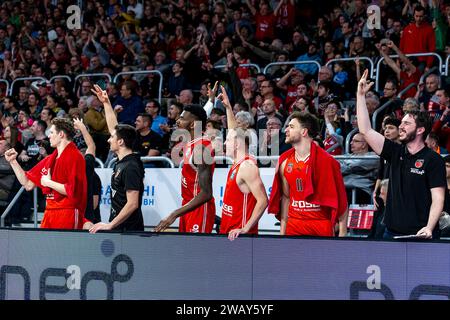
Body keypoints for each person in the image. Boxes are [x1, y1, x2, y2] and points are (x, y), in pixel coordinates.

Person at [356, 69, 446, 239]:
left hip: (422, 234)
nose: (401, 127)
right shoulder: (394, 151)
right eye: (401, 123)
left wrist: (429, 227)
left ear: (420, 130)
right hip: (391, 233)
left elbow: (438, 198)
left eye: (407, 123)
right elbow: (365, 130)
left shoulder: (433, 160)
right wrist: (360, 96)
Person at [267, 111, 348, 236]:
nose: (286, 130)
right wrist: (282, 233)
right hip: (294, 223)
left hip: (320, 223)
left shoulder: (327, 161)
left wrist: (342, 235)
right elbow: (286, 197)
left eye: (291, 127)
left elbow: (341, 201)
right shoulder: (284, 161)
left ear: (304, 132)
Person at [4, 118, 87, 229]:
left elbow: (72, 190)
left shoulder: (75, 156)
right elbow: (28, 184)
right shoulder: (50, 159)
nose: (49, 136)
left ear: (61, 134)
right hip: (49, 212)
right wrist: (13, 162)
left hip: (68, 211)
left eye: (52, 132)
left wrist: (48, 182)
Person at [89, 84, 145, 232]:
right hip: (119, 227)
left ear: (120, 142)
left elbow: (132, 204)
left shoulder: (131, 166)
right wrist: (106, 103)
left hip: (128, 230)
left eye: (112, 138)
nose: (108, 140)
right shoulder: (123, 160)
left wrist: (110, 225)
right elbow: (115, 129)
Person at [154, 105, 216, 233]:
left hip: (199, 208)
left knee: (196, 251)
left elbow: (206, 193)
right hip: (188, 206)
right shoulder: (190, 142)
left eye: (182, 118)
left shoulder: (201, 148)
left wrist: (174, 214)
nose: (177, 121)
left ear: (193, 125)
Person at [219, 86, 268, 240]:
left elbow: (263, 200)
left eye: (227, 140)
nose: (225, 143)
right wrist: (227, 107)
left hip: (240, 237)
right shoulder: (237, 162)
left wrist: (246, 228)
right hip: (228, 231)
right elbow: (234, 131)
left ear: (238, 143)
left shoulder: (247, 166)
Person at [73, 118, 102, 224]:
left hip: (89, 220)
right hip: (75, 217)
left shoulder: (90, 172)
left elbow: (94, 204)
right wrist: (82, 129)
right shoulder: (73, 169)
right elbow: (91, 146)